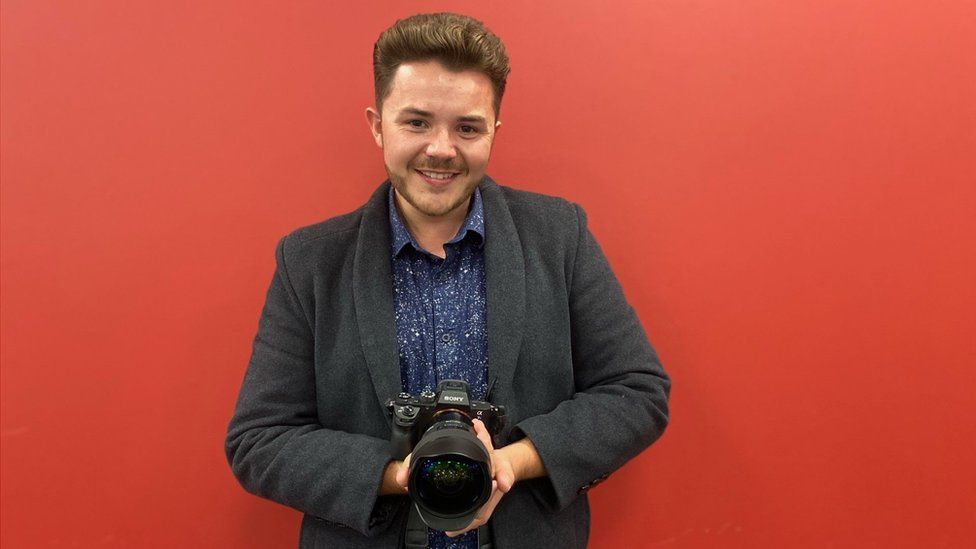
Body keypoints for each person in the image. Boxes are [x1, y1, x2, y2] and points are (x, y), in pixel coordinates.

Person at [225, 12, 670, 549]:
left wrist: (508, 464)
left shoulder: (560, 237)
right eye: (416, 122)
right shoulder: (311, 262)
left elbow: (637, 393)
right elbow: (259, 441)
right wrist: (401, 475)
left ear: (493, 132)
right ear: (377, 125)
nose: (441, 148)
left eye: (467, 127)